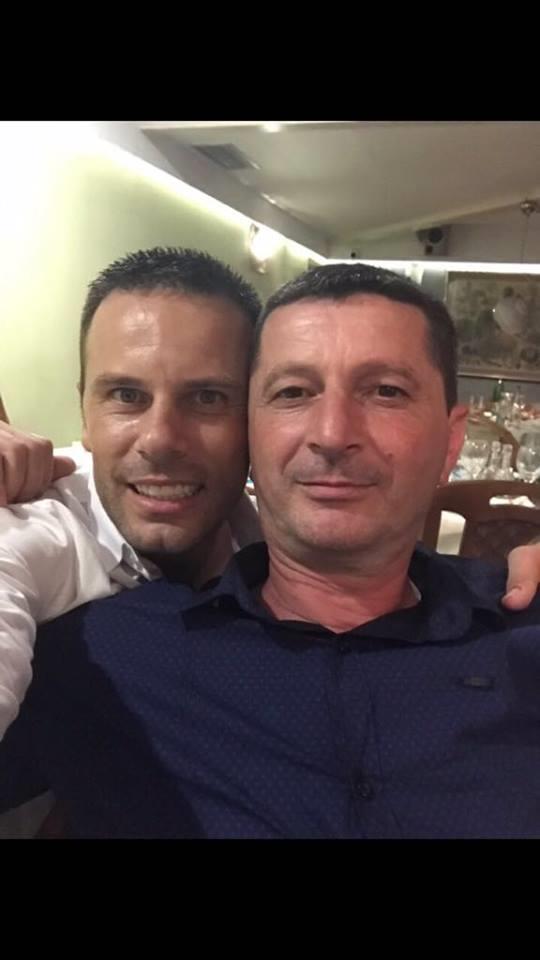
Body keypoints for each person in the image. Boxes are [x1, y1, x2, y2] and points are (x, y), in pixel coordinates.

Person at [1, 261, 540, 838]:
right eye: (293, 392)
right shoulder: (99, 654)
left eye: (386, 391)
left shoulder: (522, 631)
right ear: (253, 433)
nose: (332, 434)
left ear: (452, 439)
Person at [0, 246, 262, 737]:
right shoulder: (38, 531)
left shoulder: (269, 541)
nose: (160, 440)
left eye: (207, 398)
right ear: (85, 413)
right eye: (126, 395)